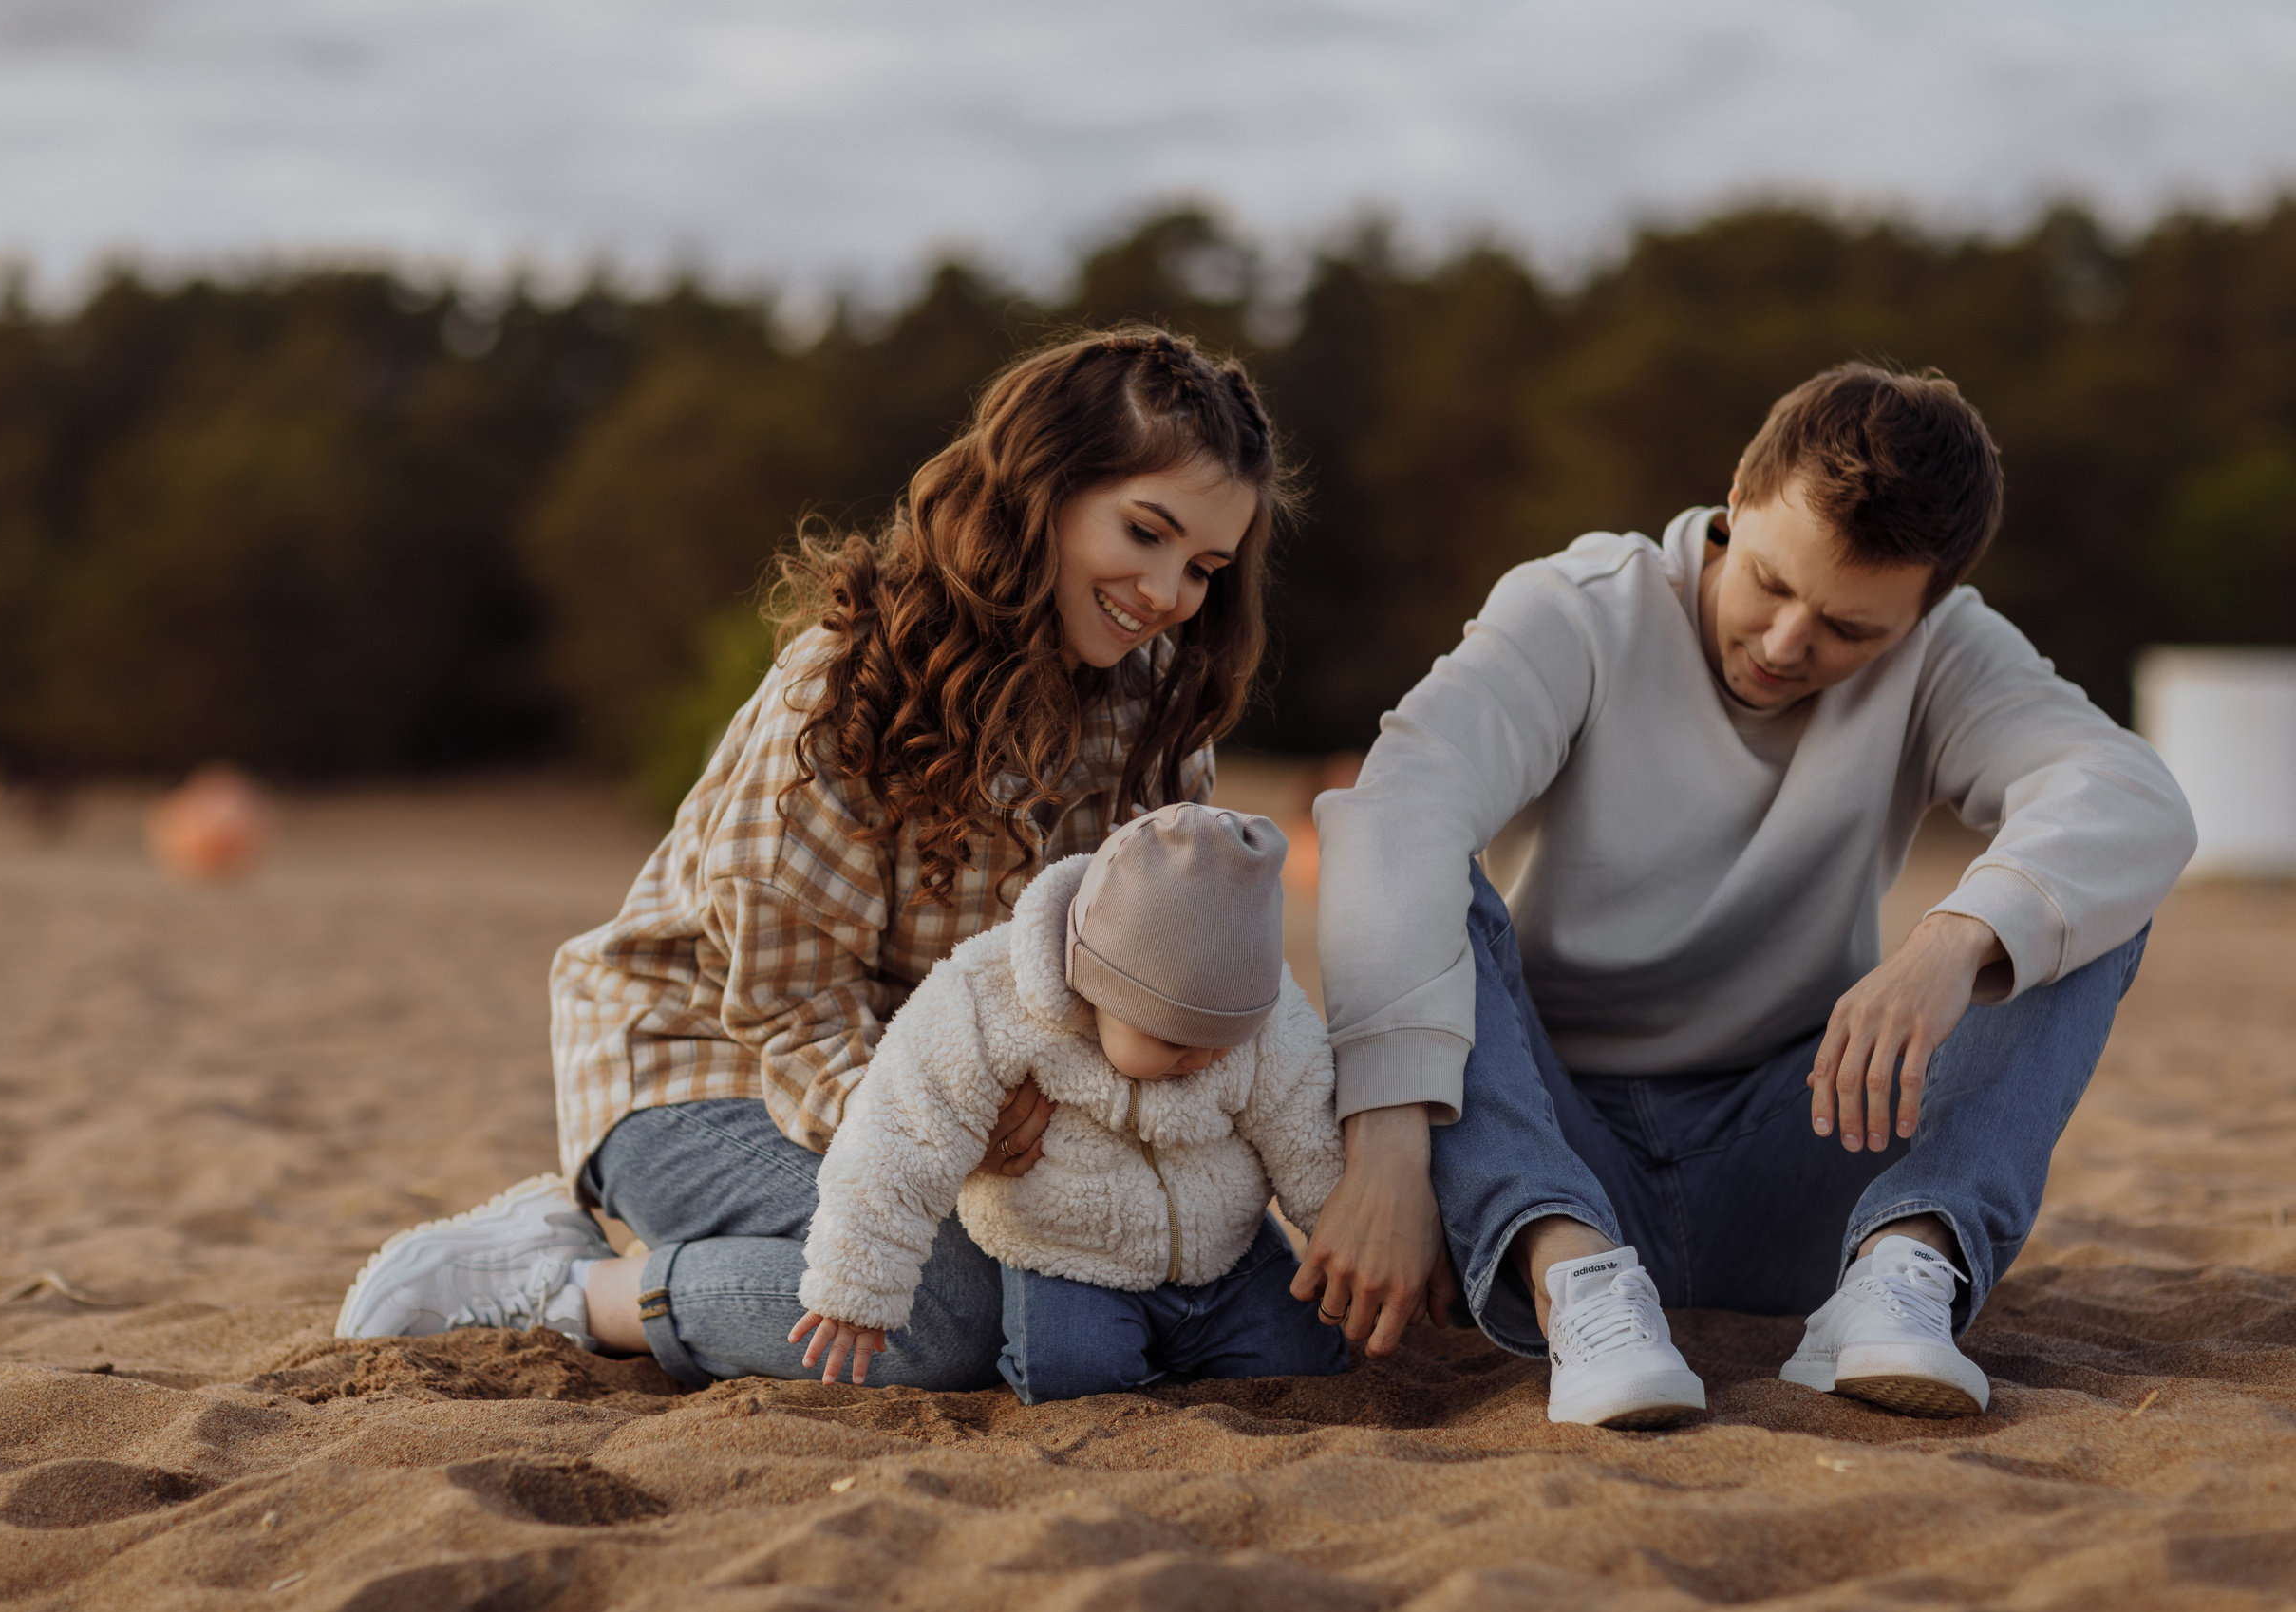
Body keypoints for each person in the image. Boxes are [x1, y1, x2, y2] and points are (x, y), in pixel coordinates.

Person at [335, 328, 1293, 1391]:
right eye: (1145, 532)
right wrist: (955, 1132)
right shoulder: (842, 691)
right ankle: (569, 1291)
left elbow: (1151, 976)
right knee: (945, 1313)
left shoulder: (1155, 721)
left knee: (1108, 1268)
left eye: (1203, 567)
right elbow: (790, 1011)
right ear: (1042, 490)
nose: (1166, 591)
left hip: (961, 1096)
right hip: (709, 1070)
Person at [1290, 363, 2196, 1427]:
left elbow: (2132, 795)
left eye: (1849, 630)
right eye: (1770, 582)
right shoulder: (1580, 608)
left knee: (2080, 906)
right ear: (1735, 502)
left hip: (1805, 1147)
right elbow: (1398, 814)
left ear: (1924, 611)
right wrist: (1391, 1143)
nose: (1783, 645)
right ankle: (1572, 1276)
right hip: (1552, 1147)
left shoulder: (1948, 655)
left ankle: (1901, 1274)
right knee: (1434, 864)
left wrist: (1954, 940)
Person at [790, 803, 1346, 1401]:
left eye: (1227, 1039)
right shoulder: (985, 1000)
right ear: (1097, 984)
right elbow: (901, 1131)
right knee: (1075, 1374)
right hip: (1067, 1255)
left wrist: (1342, 1232)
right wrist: (858, 1286)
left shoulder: (1267, 1019)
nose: (1206, 1059)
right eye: (1176, 1041)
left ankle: (1185, 1351)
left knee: (1309, 1358)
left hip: (1228, 1252)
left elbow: (1305, 1127)